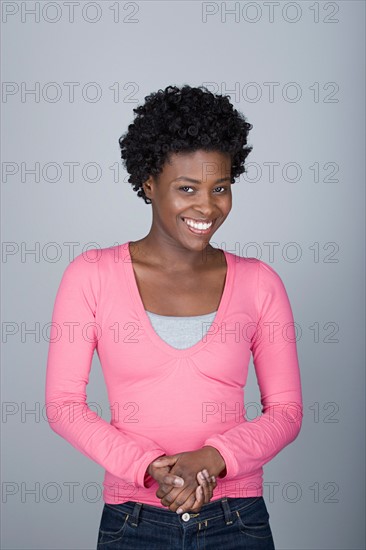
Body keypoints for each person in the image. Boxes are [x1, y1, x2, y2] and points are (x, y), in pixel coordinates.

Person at [45, 84, 303, 550]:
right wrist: (148, 467)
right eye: (187, 188)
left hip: (236, 519)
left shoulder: (259, 283)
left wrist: (213, 458)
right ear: (148, 183)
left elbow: (286, 413)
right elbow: (64, 406)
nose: (207, 207)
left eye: (220, 188)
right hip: (134, 522)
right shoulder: (91, 277)